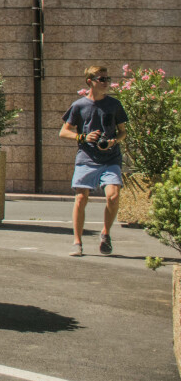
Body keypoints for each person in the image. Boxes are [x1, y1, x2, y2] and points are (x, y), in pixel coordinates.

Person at [59, 65, 129, 257]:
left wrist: (115, 140)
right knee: (81, 198)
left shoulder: (114, 105)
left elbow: (123, 132)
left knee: (113, 197)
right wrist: (82, 137)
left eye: (107, 79)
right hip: (87, 158)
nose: (106, 82)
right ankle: (77, 242)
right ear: (90, 82)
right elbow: (63, 132)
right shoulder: (79, 106)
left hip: (110, 158)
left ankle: (105, 234)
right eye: (102, 79)